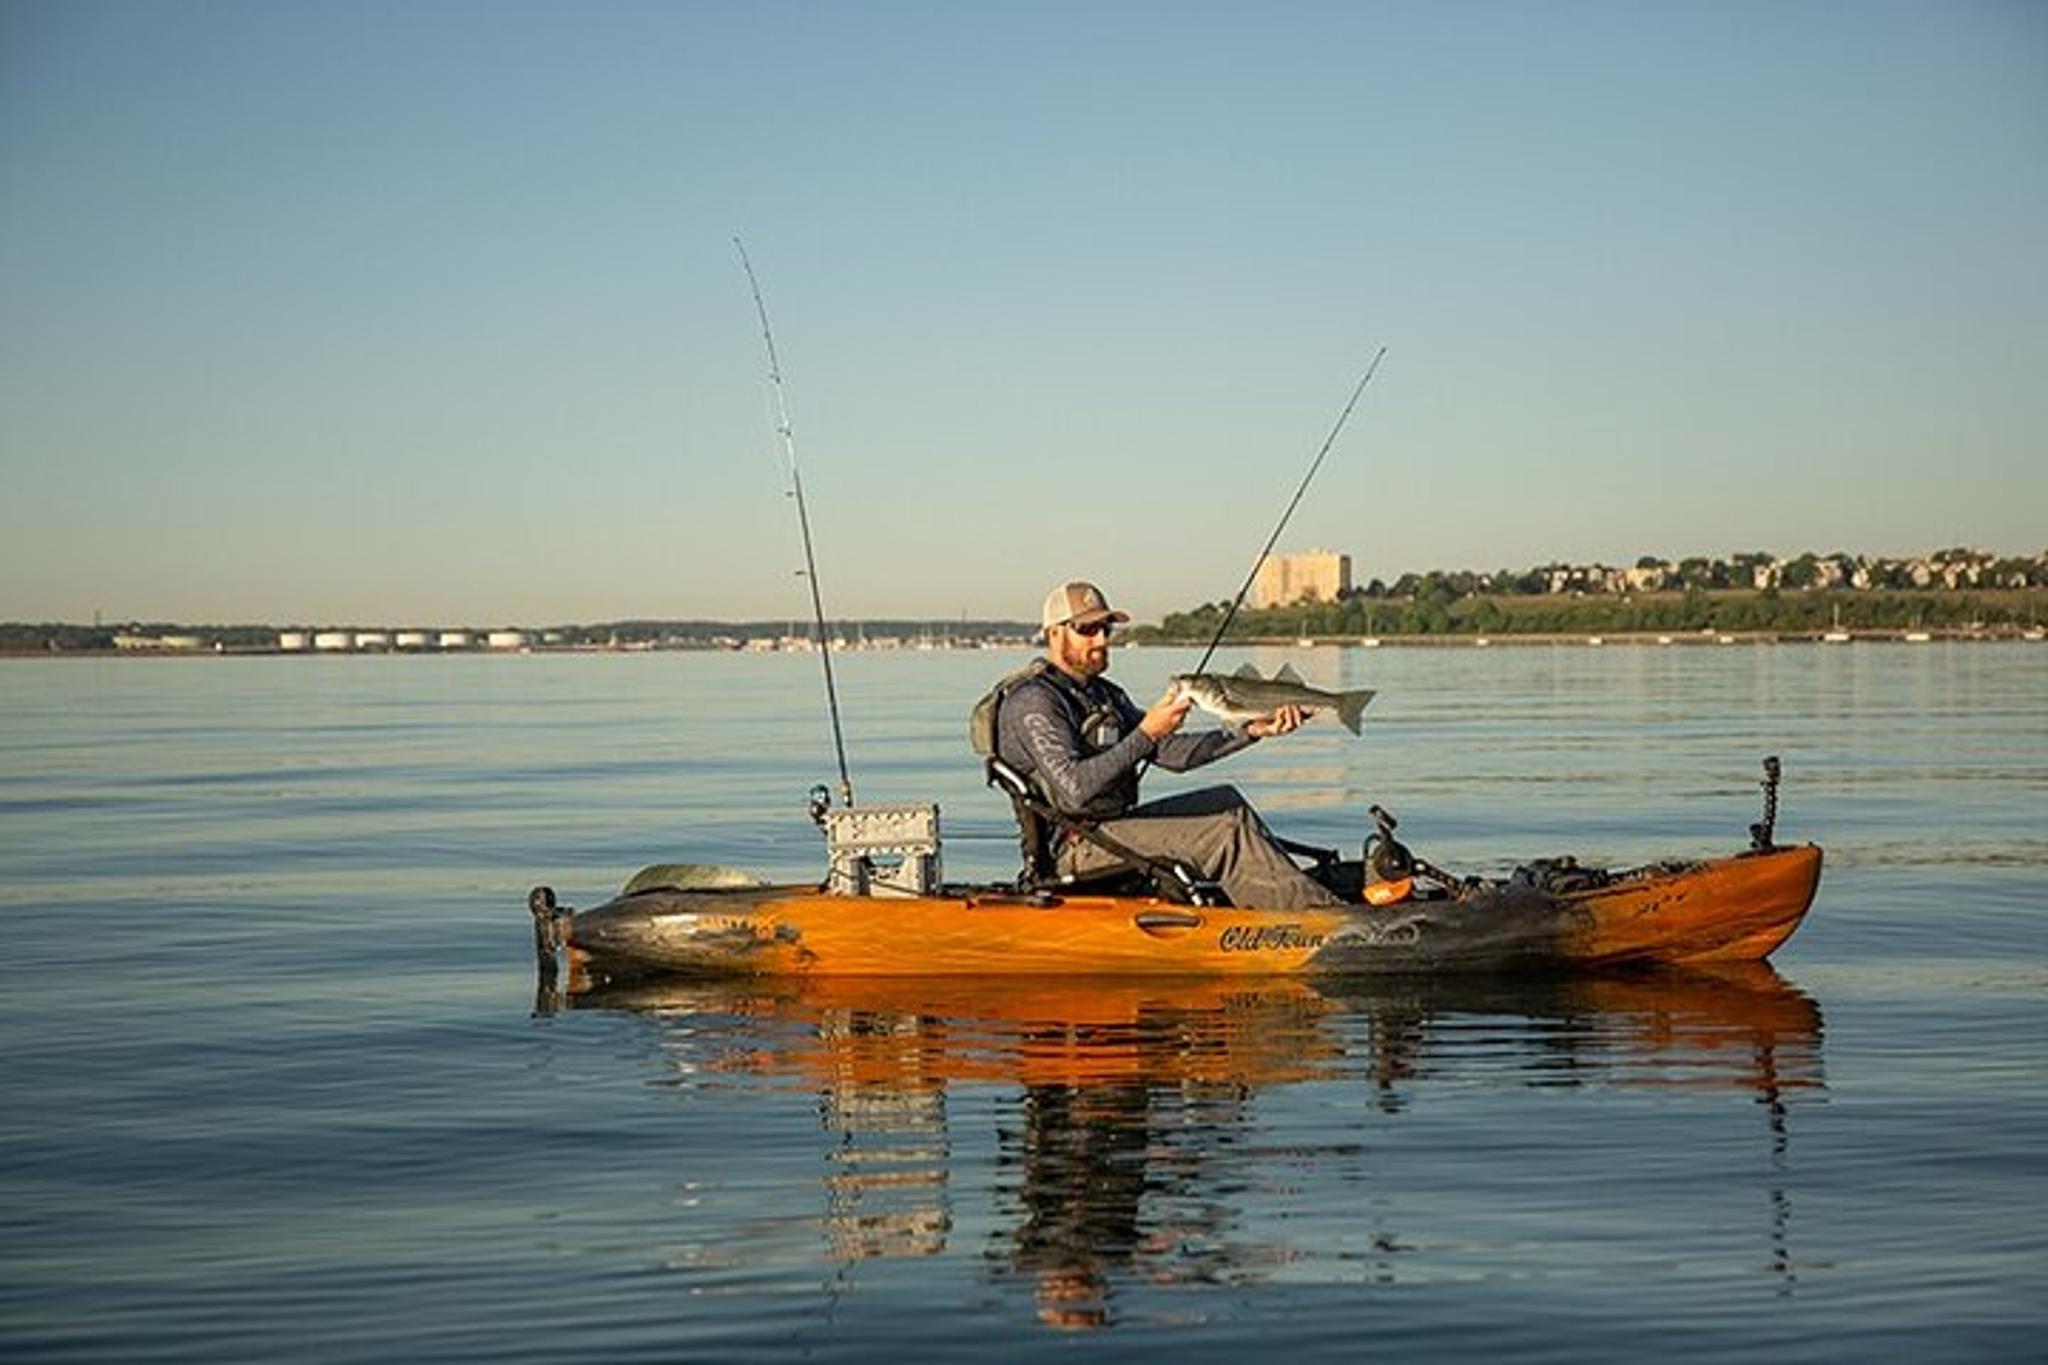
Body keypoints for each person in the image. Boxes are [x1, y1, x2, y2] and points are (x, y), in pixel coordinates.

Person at [993, 580, 1345, 909]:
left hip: (1112, 828)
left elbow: (1173, 755)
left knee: (1228, 805)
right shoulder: (1034, 700)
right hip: (1076, 846)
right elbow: (1075, 790)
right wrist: (1147, 733)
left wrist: (1250, 731)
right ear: (1054, 634)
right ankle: (1321, 920)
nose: (1101, 639)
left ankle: (1278, 902)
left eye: (1106, 628)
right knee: (1222, 832)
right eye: (1087, 629)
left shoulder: (1105, 695)